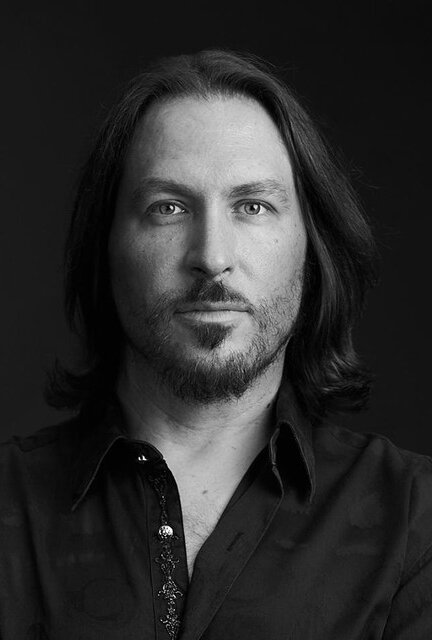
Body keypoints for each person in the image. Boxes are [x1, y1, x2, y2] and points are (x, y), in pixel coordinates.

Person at [1, 49, 431, 640]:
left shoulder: (415, 521)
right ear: (106, 246)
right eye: (168, 208)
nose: (212, 256)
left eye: (253, 206)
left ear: (311, 246)